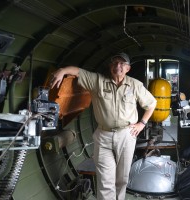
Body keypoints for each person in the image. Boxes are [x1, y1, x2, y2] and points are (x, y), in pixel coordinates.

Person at [50, 52, 157, 200]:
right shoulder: (97, 81)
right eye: (114, 63)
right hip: (103, 136)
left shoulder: (135, 85)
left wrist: (142, 123)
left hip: (126, 135)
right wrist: (62, 71)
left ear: (127, 68)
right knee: (105, 180)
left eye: (122, 63)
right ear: (110, 66)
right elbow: (79, 71)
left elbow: (152, 104)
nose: (117, 66)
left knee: (122, 179)